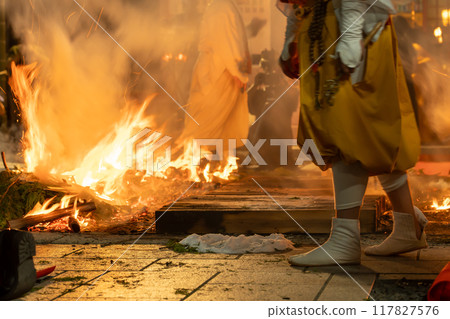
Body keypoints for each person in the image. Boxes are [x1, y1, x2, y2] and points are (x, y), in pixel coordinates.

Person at [278, 0, 427, 266]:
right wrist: (292, 32)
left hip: (351, 27)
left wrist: (349, 38)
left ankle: (345, 239)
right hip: (331, 24)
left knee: (345, 127)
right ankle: (408, 226)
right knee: (368, 129)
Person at [177, 0, 251, 163]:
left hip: (218, 69)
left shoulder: (222, 6)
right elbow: (226, 43)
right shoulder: (222, 8)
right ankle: (193, 164)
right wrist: (238, 72)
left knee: (223, 121)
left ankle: (223, 163)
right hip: (219, 71)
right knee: (207, 119)